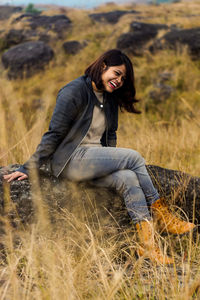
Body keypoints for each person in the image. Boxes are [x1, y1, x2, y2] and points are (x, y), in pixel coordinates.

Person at [3, 49, 195, 264]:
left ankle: (147, 246)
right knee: (134, 157)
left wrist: (111, 163)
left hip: (92, 162)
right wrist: (28, 167)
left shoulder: (109, 97)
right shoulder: (73, 91)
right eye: (116, 73)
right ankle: (162, 214)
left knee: (128, 178)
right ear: (103, 66)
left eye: (123, 78)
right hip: (70, 160)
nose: (119, 80)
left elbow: (110, 134)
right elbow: (54, 133)